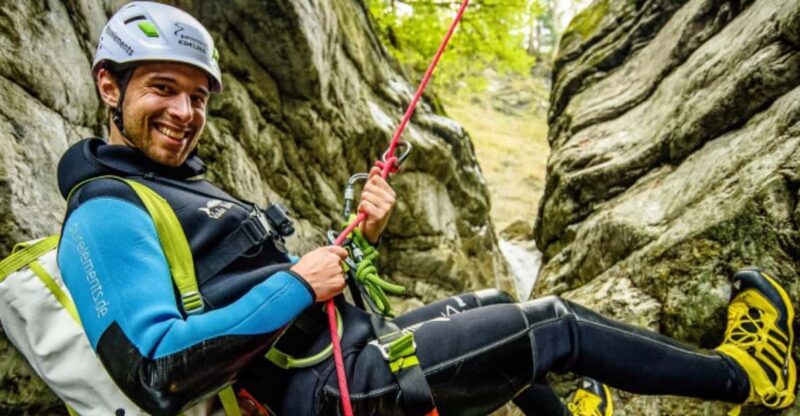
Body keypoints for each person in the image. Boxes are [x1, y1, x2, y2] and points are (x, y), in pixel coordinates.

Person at [56, 2, 796, 416]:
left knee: (493, 302)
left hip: (337, 358)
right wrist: (297, 283)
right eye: (161, 88)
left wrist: (360, 241)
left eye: (197, 96)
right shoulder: (104, 211)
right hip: (330, 391)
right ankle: (748, 379)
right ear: (109, 86)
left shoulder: (180, 184)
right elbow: (156, 371)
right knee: (555, 326)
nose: (184, 112)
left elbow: (240, 289)